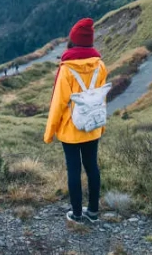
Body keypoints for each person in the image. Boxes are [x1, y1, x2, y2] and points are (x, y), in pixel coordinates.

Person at [44, 18, 106, 224]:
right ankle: (94, 212)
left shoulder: (66, 68)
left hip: (71, 129)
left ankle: (77, 214)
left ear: (73, 40)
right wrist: (101, 125)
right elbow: (100, 99)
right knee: (92, 167)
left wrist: (49, 132)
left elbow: (58, 103)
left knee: (74, 169)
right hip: (93, 126)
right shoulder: (100, 65)